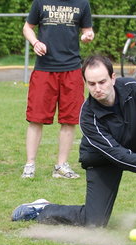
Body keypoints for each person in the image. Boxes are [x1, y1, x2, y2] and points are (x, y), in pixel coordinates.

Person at [12, 55, 136, 231]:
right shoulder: (87, 116)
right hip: (102, 159)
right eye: (91, 84)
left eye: (102, 82)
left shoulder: (133, 88)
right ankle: (42, 209)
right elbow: (118, 155)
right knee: (94, 222)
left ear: (113, 78)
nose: (98, 89)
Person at [21, 0, 94, 179]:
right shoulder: (40, 2)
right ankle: (30, 165)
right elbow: (27, 27)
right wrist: (35, 42)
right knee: (36, 118)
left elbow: (87, 30)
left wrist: (88, 35)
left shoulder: (82, 4)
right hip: (44, 69)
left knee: (69, 120)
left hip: (72, 69)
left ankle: (61, 166)